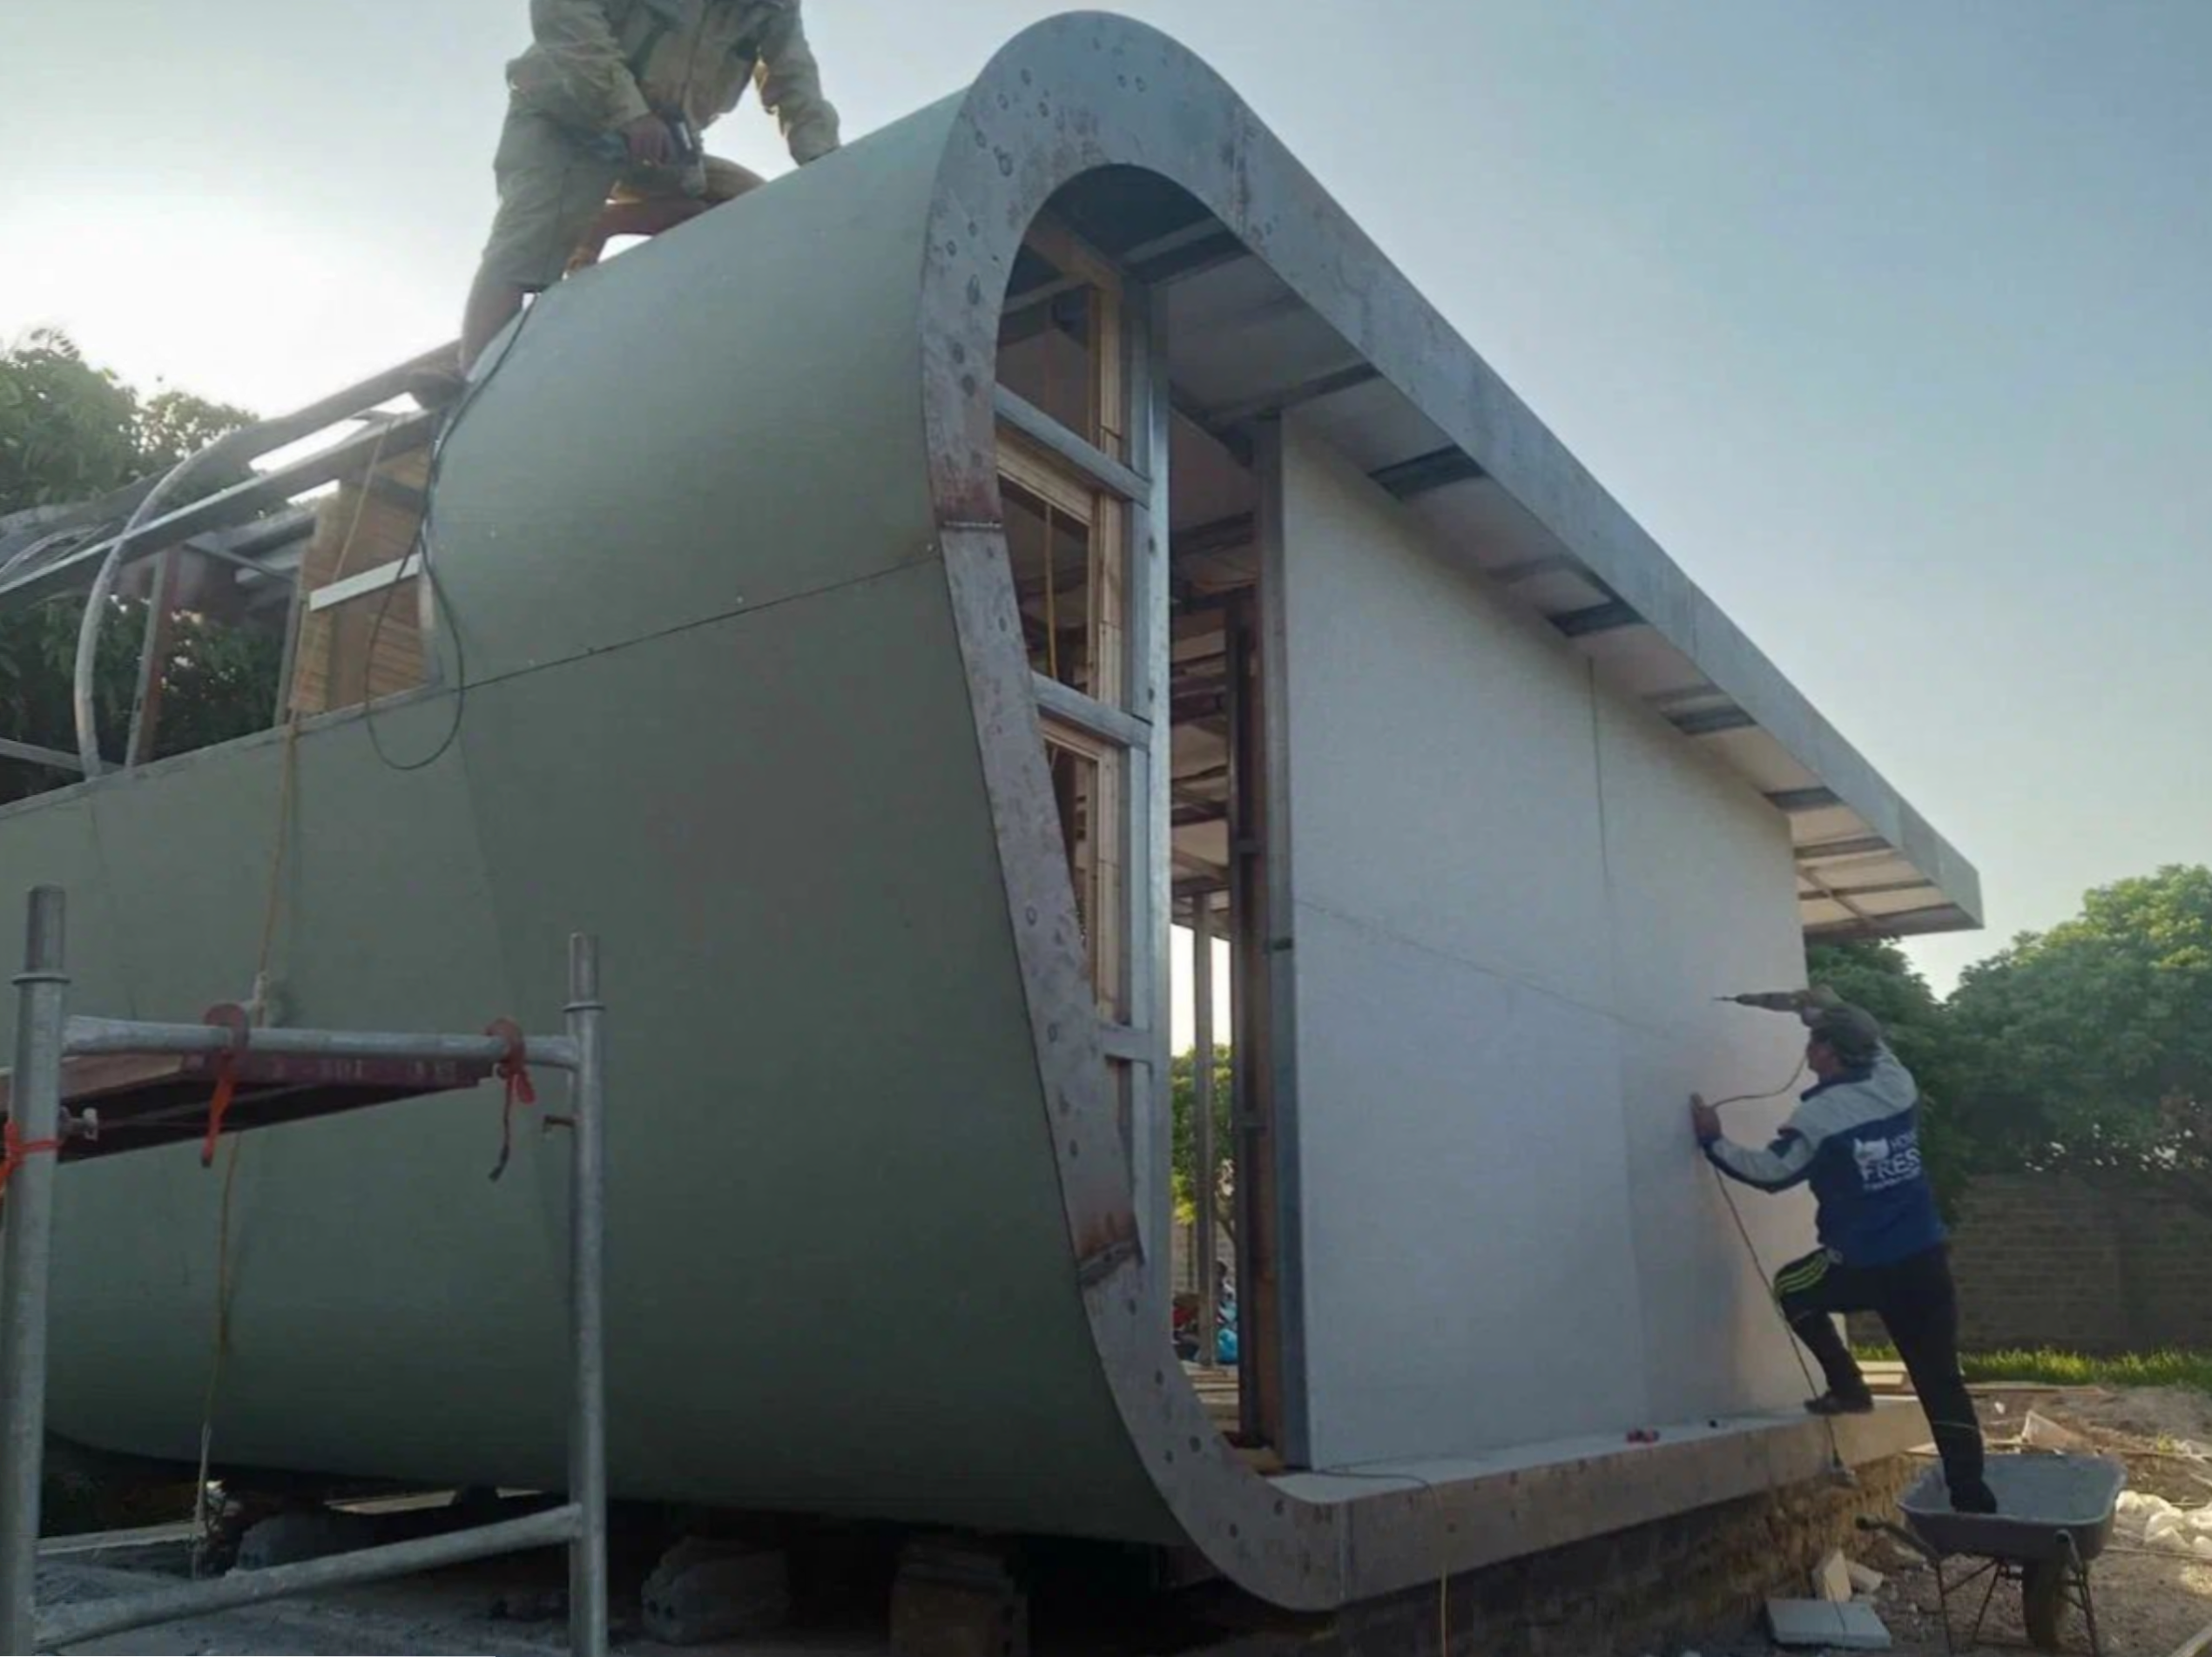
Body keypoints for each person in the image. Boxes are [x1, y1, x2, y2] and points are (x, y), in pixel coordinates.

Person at [1692, 987, 1997, 1513]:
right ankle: (1972, 1494)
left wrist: (1712, 1140)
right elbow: (1875, 1044)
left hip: (1863, 1265)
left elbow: (1773, 1172)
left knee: (1792, 1288)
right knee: (1940, 1378)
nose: (1807, 1049)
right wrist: (1815, 1009)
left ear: (1830, 1052)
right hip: (1925, 1259)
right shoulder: (1897, 1083)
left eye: (1814, 1041)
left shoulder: (1820, 1117)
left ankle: (1849, 1386)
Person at [458, 0, 841, 371]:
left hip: (661, 137)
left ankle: (598, 224)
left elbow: (793, 78)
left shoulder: (776, 6)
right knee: (522, 252)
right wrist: (628, 111)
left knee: (744, 206)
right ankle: (473, 387)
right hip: (566, 121)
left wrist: (825, 162)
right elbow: (565, 15)